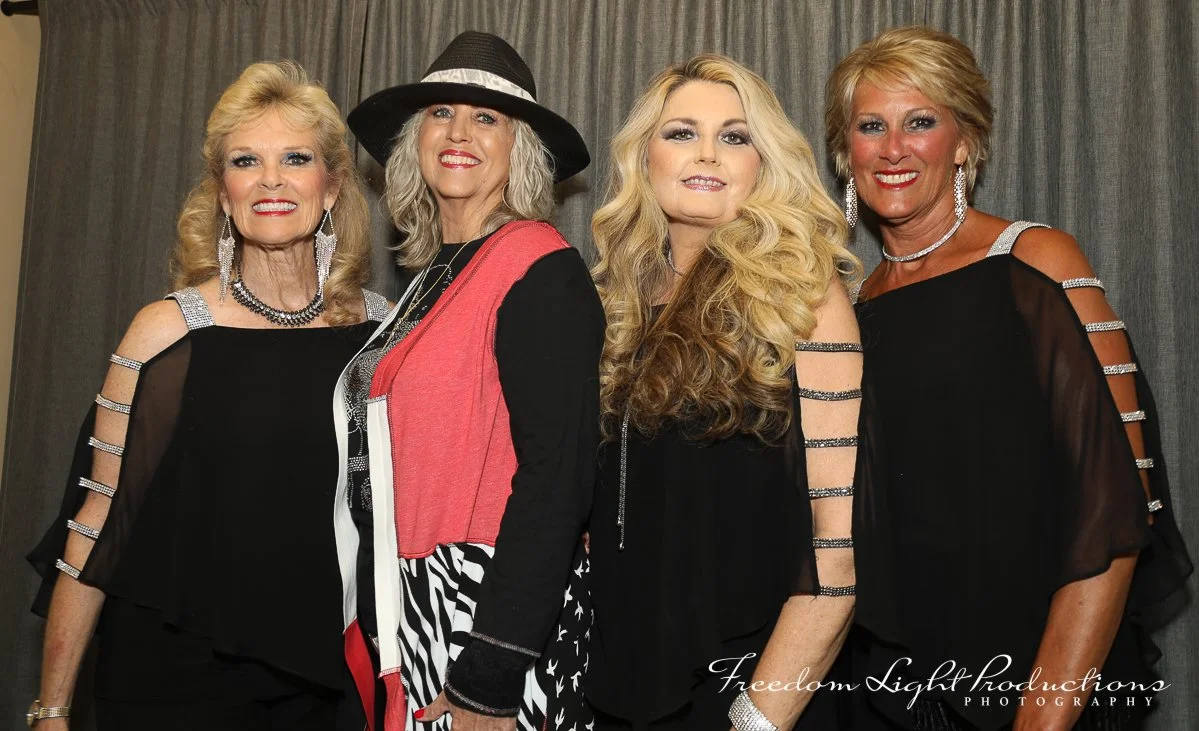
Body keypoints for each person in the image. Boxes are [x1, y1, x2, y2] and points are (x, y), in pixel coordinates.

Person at [824, 25, 1192, 730]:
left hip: (1027, 679)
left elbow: (1116, 516)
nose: (893, 147)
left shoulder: (1034, 262)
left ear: (963, 141)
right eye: (870, 125)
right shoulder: (849, 307)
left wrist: (1038, 718)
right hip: (883, 690)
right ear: (847, 153)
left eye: (920, 121)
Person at [26, 61, 388, 730]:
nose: (271, 179)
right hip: (175, 682)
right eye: (246, 160)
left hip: (328, 682)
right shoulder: (166, 331)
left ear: (332, 184)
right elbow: (99, 522)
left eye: (296, 158)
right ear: (224, 193)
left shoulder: (384, 334)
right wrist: (51, 706)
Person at [586, 54, 863, 731]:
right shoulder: (619, 304)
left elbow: (840, 544)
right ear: (643, 157)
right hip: (621, 686)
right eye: (681, 132)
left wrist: (757, 716)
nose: (707, 152)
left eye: (735, 136)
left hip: (746, 684)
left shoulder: (801, 292)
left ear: (762, 163)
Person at [337, 31, 604, 731]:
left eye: (486, 118)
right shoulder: (431, 276)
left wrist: (491, 673)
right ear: (412, 140)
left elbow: (558, 477)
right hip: (414, 605)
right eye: (439, 113)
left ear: (520, 147)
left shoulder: (540, 268)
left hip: (482, 614)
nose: (458, 132)